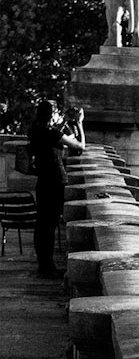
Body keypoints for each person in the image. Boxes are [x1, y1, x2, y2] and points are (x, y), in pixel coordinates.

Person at [27, 100, 84, 279]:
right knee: (50, 225)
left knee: (42, 224)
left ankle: (44, 265)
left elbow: (56, 134)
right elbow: (79, 146)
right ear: (51, 114)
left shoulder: (34, 130)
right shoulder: (50, 133)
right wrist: (80, 124)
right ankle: (48, 267)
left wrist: (65, 122)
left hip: (43, 180)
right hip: (56, 180)